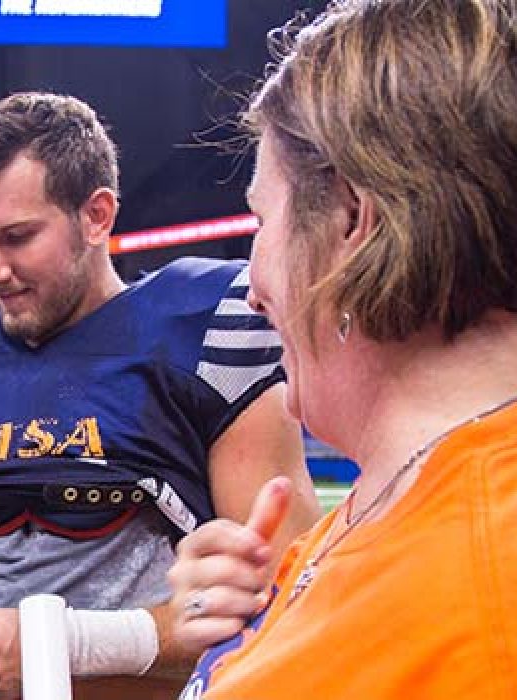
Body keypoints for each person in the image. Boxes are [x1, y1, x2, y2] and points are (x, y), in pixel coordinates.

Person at [0, 91, 321, 699]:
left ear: (96, 216)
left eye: (16, 237)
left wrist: (63, 645)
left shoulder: (205, 329)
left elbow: (282, 587)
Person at [165, 2, 517, 698]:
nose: (251, 289)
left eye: (260, 221)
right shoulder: (420, 492)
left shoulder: (480, 583)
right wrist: (262, 621)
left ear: (352, 221)